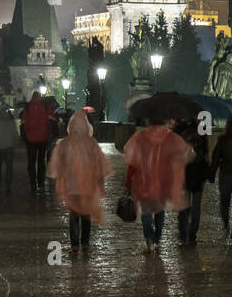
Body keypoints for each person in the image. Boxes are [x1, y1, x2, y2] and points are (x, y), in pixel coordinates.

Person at [124, 116, 194, 254]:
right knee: (160, 212)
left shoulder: (140, 138)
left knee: (146, 213)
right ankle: (157, 240)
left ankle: (149, 240)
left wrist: (128, 183)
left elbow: (133, 161)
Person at [46, 110, 110, 255]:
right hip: (87, 186)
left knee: (74, 216)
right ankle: (85, 244)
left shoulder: (65, 143)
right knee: (86, 215)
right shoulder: (91, 144)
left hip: (72, 186)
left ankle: (75, 246)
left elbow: (58, 165)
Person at [176, 118, 210, 246]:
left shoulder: (180, 129)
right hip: (198, 171)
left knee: (184, 204)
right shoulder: (202, 129)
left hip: (183, 171)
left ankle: (183, 234)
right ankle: (192, 234)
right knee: (196, 205)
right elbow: (206, 154)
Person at [20, 92, 51, 193]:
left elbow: (24, 123)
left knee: (31, 162)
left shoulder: (27, 108)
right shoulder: (46, 106)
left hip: (31, 139)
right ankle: (40, 182)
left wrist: (27, 135)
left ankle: (33, 183)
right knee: (41, 161)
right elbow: (52, 120)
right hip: (43, 138)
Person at [0, 105, 18, 193]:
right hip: (9, 146)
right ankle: (8, 184)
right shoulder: (11, 122)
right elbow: (15, 134)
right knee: (9, 166)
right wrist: (15, 142)